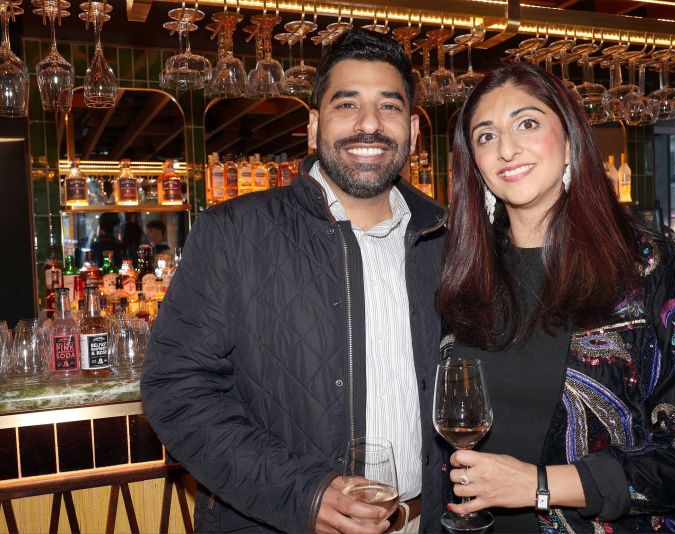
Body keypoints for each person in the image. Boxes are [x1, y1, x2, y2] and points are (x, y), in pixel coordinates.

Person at [140, 28, 447, 534]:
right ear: (312, 127)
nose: (369, 124)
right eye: (346, 105)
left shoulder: (449, 239)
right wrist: (301, 492)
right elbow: (175, 389)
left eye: (389, 107)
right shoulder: (233, 232)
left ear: (413, 130)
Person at [435, 62, 675, 532]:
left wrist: (541, 485)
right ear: (473, 163)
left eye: (527, 123)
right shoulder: (464, 276)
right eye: (485, 136)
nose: (507, 148)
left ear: (570, 141)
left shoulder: (655, 272)